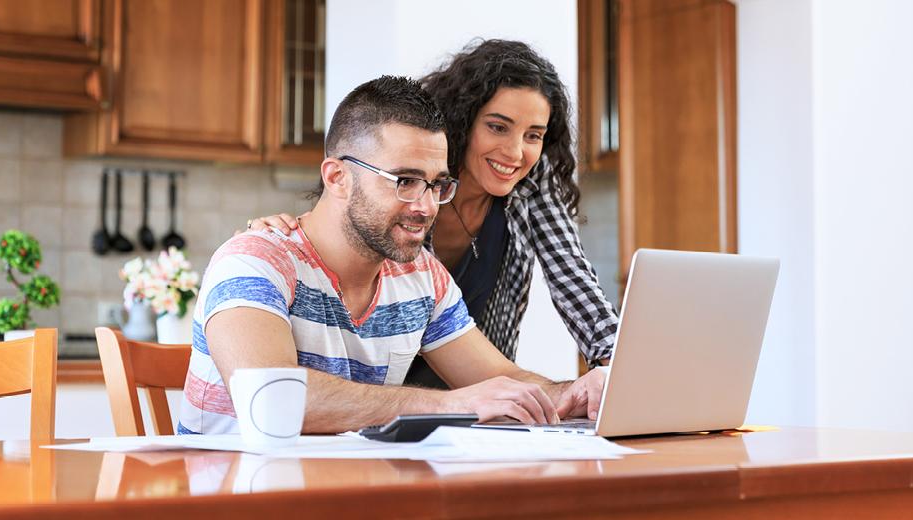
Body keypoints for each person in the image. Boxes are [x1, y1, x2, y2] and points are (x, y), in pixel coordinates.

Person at [180, 76, 606, 435]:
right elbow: (269, 397)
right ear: (337, 176)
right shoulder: (255, 260)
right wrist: (452, 405)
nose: (425, 206)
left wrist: (574, 392)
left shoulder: (420, 276)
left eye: (437, 184)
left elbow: (503, 380)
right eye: (404, 180)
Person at [248, 40, 619, 388]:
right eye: (498, 127)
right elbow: (347, 224)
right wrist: (274, 244)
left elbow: (575, 284)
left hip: (477, 393)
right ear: (464, 120)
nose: (515, 152)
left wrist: (616, 368)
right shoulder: (414, 193)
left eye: (534, 135)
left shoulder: (530, 190)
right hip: (387, 399)